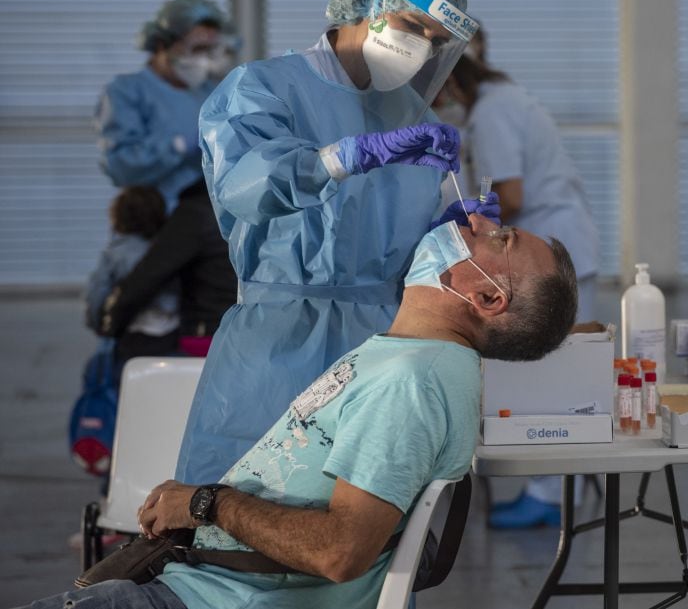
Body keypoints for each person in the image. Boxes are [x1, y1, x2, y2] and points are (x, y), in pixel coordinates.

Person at [20, 213, 578, 609]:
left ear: (485, 299)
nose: (477, 221)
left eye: (496, 237)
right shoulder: (410, 357)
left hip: (218, 600)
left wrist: (206, 503)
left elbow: (341, 551)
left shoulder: (411, 381)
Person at [177, 0, 498, 485]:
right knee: (245, 509)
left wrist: (449, 235)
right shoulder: (262, 88)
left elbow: (409, 244)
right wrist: (339, 158)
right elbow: (245, 187)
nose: (420, 46)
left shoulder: (409, 115)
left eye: (436, 39)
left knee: (357, 522)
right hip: (279, 344)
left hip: (383, 350)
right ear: (369, 1)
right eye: (411, 24)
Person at [436, 49, 600, 528]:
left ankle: (550, 495)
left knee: (559, 367)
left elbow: (510, 196)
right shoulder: (503, 98)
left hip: (548, 247)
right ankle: (552, 488)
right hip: (557, 240)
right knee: (560, 361)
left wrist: (467, 227)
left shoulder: (490, 112)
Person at [94, 0, 227, 210]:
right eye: (196, 49)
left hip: (203, 220)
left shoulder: (213, 93)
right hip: (150, 220)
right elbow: (119, 167)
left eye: (210, 50)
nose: (204, 59)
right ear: (160, 46)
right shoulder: (127, 92)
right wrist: (178, 146)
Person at [98, 178, 236, 359]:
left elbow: (149, 275)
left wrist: (110, 322)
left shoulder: (195, 212)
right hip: (243, 331)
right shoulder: (240, 204)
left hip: (207, 333)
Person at [85, 186, 179, 374]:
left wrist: (98, 322)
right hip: (170, 331)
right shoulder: (169, 249)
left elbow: (97, 291)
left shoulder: (115, 253)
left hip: (132, 334)